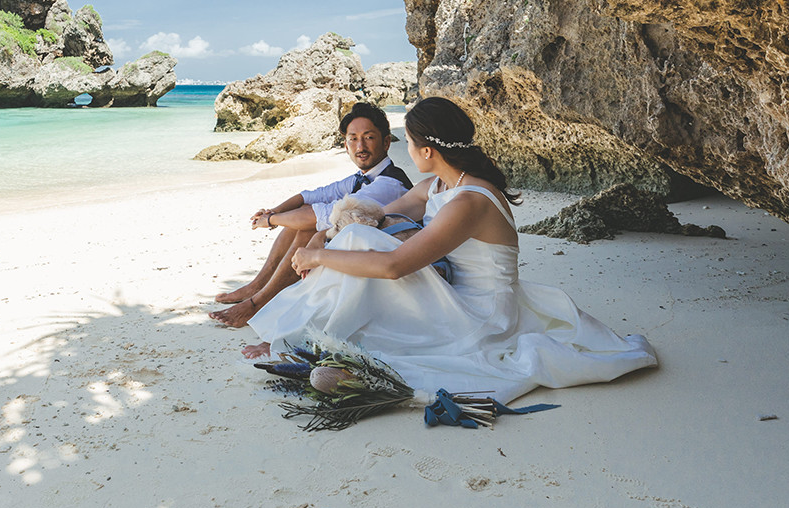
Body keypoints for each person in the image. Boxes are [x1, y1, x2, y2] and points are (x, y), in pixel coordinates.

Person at [242, 96, 658, 406]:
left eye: (409, 142)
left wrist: (316, 256)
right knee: (355, 236)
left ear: (427, 150)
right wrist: (323, 234)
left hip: (482, 313)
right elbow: (372, 216)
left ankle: (303, 343)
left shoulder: (469, 201)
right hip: (450, 292)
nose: (406, 150)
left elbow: (394, 266)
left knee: (361, 248)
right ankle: (302, 340)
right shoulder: (437, 186)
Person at [210, 102, 411, 329]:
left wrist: (270, 221)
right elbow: (312, 196)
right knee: (300, 220)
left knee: (307, 226)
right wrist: (275, 210)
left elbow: (321, 215)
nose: (360, 146)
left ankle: (258, 303)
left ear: (386, 142)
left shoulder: (389, 183)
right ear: (346, 145)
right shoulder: (361, 177)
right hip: (363, 246)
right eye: (353, 139)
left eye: (369, 137)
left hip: (385, 259)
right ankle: (257, 287)